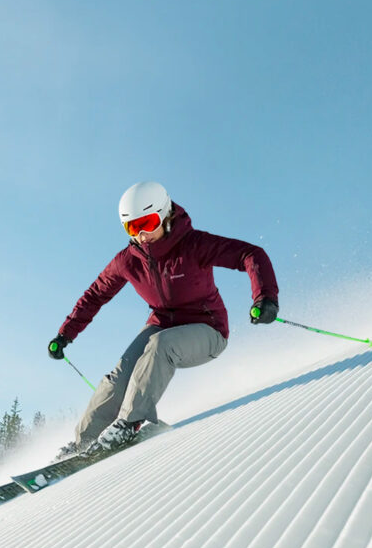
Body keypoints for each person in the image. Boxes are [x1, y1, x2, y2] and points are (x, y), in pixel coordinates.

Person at [48, 181, 279, 455]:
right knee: (122, 372)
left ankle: (129, 424)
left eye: (147, 222)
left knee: (160, 346)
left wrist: (264, 297)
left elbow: (250, 254)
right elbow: (96, 294)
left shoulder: (194, 245)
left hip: (208, 329)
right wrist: (66, 333)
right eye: (133, 228)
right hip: (162, 324)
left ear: (165, 214)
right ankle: (83, 443)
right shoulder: (128, 260)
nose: (143, 234)